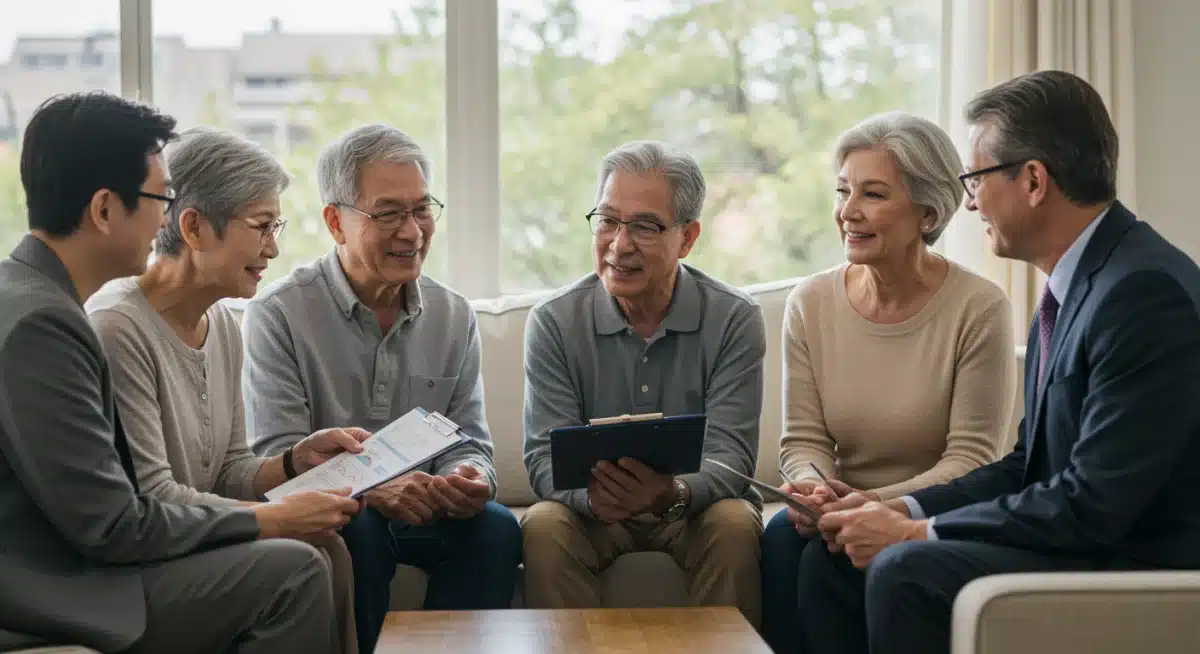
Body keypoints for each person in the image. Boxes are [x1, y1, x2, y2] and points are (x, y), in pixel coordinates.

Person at [794, 70, 1200, 654]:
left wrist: (915, 531)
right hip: (1084, 537)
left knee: (904, 569)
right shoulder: (1076, 286)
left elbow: (1093, 503)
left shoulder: (1141, 294)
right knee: (832, 557)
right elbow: (1025, 467)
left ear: (1033, 180)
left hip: (1134, 561)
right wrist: (892, 506)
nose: (969, 199)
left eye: (977, 179)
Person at [0, 92, 362, 653]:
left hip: (84, 565)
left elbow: (210, 473)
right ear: (103, 210)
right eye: (158, 199)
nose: (164, 218)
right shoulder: (47, 325)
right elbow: (115, 523)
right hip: (58, 590)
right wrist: (271, 520)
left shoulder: (34, 298)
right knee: (293, 571)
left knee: (318, 552)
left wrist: (289, 466)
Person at [241, 124, 522, 653]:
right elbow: (274, 460)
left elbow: (469, 440)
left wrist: (468, 477)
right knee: (358, 528)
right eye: (389, 213)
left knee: (496, 526)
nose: (412, 231)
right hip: (342, 513)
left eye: (422, 210)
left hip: (427, 509)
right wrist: (369, 491)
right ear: (335, 222)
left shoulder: (453, 313)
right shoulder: (279, 313)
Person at [759, 112, 1017, 653]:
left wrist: (875, 504)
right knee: (784, 536)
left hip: (932, 511)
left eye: (872, 194)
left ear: (927, 212)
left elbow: (972, 459)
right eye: (843, 191)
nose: (848, 212)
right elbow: (802, 440)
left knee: (827, 553)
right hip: (840, 504)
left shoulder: (979, 307)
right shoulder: (811, 302)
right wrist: (815, 489)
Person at [520, 140, 767, 627]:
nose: (619, 243)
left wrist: (671, 492)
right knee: (545, 526)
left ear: (688, 237)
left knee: (735, 523)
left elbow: (732, 454)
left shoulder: (734, 318)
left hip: (691, 509)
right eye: (608, 220)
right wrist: (591, 498)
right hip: (593, 513)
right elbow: (542, 456)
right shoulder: (553, 321)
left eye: (645, 226)